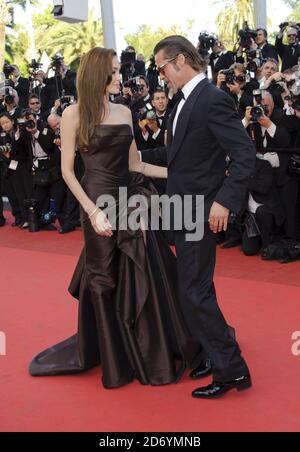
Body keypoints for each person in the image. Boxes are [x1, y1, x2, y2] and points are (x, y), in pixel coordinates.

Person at [29, 47, 201, 389]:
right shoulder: (74, 114)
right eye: (114, 71)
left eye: (119, 70)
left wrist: (178, 174)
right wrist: (92, 213)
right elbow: (67, 172)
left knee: (142, 271)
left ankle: (146, 348)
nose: (120, 76)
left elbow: (135, 164)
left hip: (127, 199)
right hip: (95, 201)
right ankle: (114, 355)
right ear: (98, 75)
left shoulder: (124, 111)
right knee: (104, 277)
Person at [154, 35, 255, 399]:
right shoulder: (182, 103)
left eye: (161, 66)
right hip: (182, 210)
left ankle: (232, 370)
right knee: (199, 287)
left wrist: (225, 201)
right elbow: (179, 158)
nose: (160, 74)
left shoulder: (211, 98)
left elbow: (244, 155)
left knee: (193, 292)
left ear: (180, 60)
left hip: (200, 212)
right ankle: (216, 351)